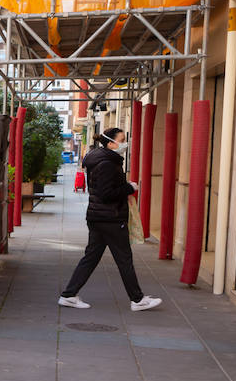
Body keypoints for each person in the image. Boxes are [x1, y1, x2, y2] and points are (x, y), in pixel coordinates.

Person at [58, 127, 162, 312]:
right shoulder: (107, 163)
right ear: (111, 143)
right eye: (122, 140)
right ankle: (137, 300)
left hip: (98, 216)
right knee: (124, 259)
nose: (125, 144)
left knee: (91, 257)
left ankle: (69, 295)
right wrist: (129, 188)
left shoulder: (100, 159)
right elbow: (107, 193)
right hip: (110, 218)